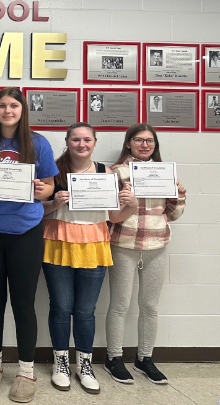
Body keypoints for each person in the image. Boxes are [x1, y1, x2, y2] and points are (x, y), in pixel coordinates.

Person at [0, 87, 57, 403]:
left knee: (23, 303)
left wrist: (41, 191)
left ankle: (26, 370)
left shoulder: (38, 143)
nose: (8, 110)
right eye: (2, 105)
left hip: (26, 231)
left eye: (14, 105)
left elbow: (50, 187)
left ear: (22, 110)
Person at [40, 123, 138, 394]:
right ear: (67, 141)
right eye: (75, 139)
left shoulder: (106, 173)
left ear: (95, 142)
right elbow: (37, 209)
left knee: (85, 310)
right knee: (61, 307)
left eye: (86, 140)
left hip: (94, 243)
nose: (81, 144)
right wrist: (53, 203)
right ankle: (61, 363)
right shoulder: (53, 170)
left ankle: (84, 364)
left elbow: (114, 216)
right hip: (58, 242)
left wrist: (130, 206)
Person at [103, 124, 186, 386]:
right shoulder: (116, 172)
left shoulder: (164, 172)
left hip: (156, 245)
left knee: (150, 306)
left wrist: (179, 195)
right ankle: (114, 358)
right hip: (123, 244)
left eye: (150, 141)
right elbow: (109, 213)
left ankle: (144, 358)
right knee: (120, 304)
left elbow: (173, 214)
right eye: (138, 140)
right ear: (128, 143)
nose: (144, 145)